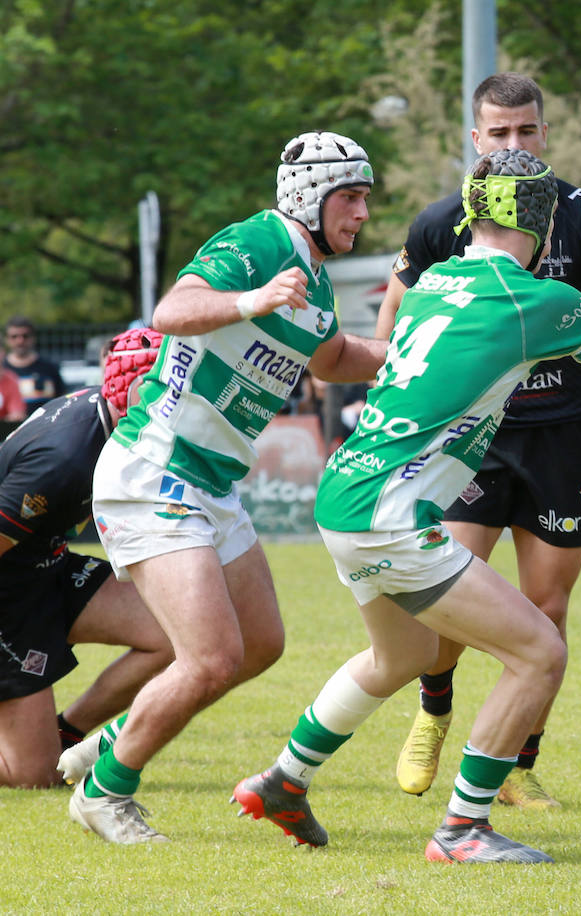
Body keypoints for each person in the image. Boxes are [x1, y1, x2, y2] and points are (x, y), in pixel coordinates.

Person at [230, 150, 581, 863]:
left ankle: (284, 779)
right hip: (393, 515)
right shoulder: (535, 299)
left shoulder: (438, 278)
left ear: (471, 214)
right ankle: (463, 827)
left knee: (399, 655)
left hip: (344, 497)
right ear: (545, 222)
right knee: (539, 653)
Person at [56, 130, 388, 843]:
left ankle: (114, 738)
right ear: (311, 195)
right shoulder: (261, 242)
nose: (363, 213)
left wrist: (416, 355)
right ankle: (105, 792)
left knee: (261, 644)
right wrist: (253, 298)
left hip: (211, 484)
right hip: (155, 471)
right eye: (352, 198)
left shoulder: (319, 283)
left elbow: (333, 358)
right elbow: (173, 311)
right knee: (211, 660)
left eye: (365, 199)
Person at [378, 72, 581, 807]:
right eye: (498, 134)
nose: (514, 143)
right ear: (476, 141)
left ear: (545, 133)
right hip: (474, 438)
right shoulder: (443, 224)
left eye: (526, 131)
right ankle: (435, 712)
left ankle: (514, 763)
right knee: (448, 594)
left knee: (548, 611)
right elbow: (391, 328)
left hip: (560, 436)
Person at [0, 330, 173, 788]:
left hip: (49, 565)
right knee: (31, 776)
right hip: (9, 594)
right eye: (172, 391)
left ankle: (66, 730)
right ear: (137, 392)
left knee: (177, 632)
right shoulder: (64, 459)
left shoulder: (107, 413)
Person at [4, 317, 66, 415]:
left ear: (33, 338)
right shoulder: (2, 370)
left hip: (45, 427)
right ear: (7, 339)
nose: (20, 341)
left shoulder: (49, 368)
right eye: (14, 336)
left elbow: (62, 400)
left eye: (25, 336)